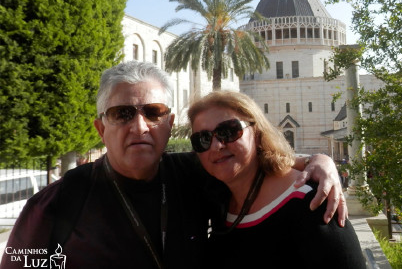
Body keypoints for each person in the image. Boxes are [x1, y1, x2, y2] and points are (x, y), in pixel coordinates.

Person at [1, 61, 347, 269]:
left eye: (153, 113)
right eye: (122, 114)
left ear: (169, 126)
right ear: (101, 128)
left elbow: (248, 159)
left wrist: (319, 160)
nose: (139, 127)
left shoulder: (195, 173)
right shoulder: (56, 203)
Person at [188, 90, 366, 268]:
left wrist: (320, 160)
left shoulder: (312, 203)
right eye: (202, 139)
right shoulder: (216, 198)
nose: (216, 146)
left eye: (228, 132)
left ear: (257, 132)